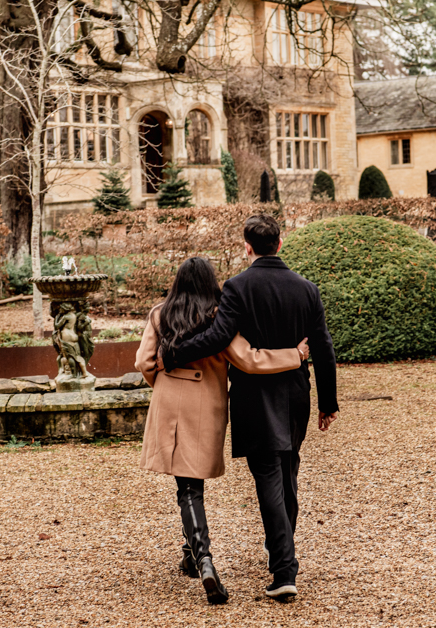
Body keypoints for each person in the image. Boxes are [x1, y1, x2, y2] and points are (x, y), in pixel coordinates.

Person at [162, 214, 338, 601]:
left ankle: (284, 569)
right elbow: (323, 346)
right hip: (296, 392)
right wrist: (328, 401)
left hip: (254, 397)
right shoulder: (307, 289)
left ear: (247, 247)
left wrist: (174, 353)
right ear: (280, 243)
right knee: (287, 472)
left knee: (270, 477)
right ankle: (282, 558)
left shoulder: (237, 287)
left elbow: (219, 337)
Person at [135, 256, 310, 605]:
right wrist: (295, 355)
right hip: (206, 405)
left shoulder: (160, 313)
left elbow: (144, 362)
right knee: (192, 477)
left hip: (169, 400)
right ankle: (195, 556)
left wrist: (165, 386)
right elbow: (249, 359)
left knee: (187, 485)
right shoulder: (219, 315)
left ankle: (200, 557)